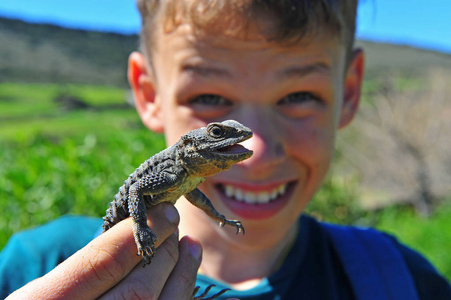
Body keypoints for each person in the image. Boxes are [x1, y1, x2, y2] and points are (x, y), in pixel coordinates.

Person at [1, 0, 450, 299]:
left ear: (350, 92)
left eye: (299, 96)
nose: (260, 147)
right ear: (147, 93)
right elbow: (137, 196)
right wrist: (140, 232)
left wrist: (219, 217)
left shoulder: (403, 281)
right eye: (208, 100)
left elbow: (194, 194)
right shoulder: (35, 265)